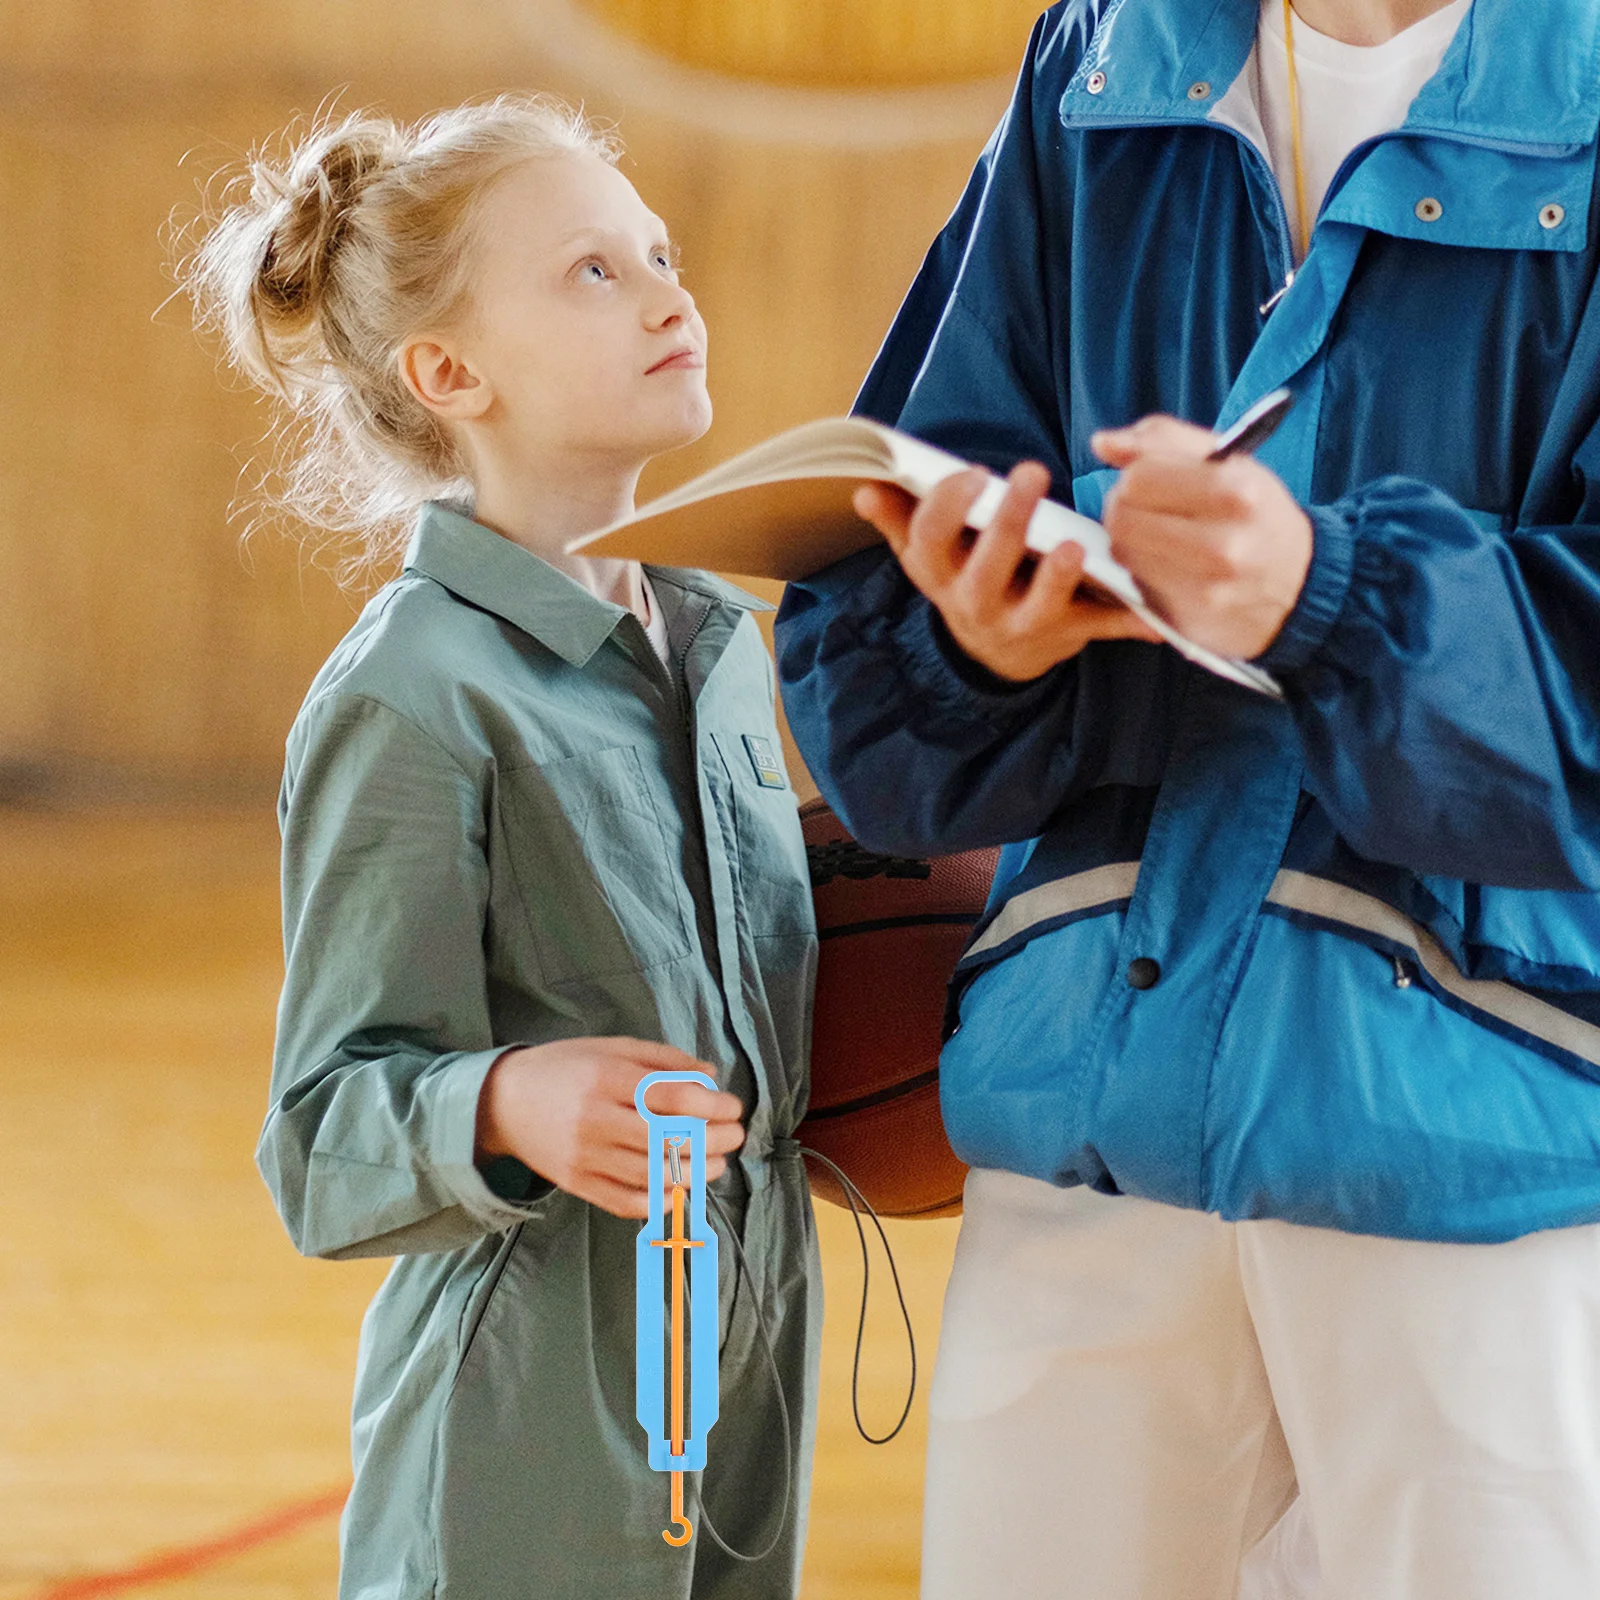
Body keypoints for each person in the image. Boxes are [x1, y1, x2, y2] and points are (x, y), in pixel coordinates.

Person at [775, 0, 1600, 1596]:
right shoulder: (1099, 57)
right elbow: (874, 606)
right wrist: (977, 639)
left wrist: (1329, 595)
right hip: (1096, 1126)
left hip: (1478, 1148)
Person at [181, 96, 820, 1599]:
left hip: (752, 1344)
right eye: (593, 271)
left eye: (659, 252)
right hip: (528, 1395)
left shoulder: (723, 640)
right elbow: (318, 1141)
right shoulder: (412, 690)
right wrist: (505, 1097)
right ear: (449, 372)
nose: (672, 293)